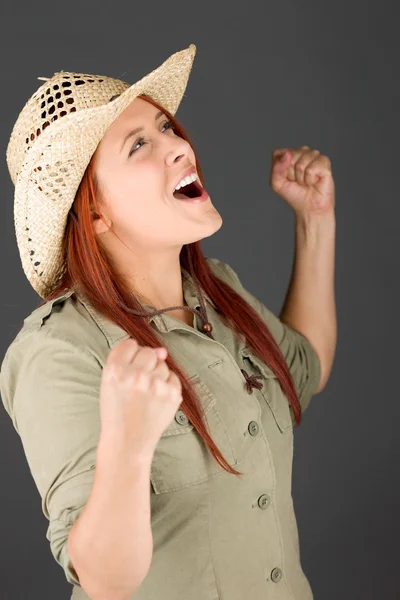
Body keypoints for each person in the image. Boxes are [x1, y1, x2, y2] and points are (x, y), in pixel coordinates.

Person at [0, 44, 336, 600]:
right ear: (95, 213)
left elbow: (306, 367)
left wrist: (315, 222)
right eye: (140, 146)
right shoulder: (57, 351)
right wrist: (129, 442)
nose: (180, 146)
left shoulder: (217, 290)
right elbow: (104, 581)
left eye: (165, 127)